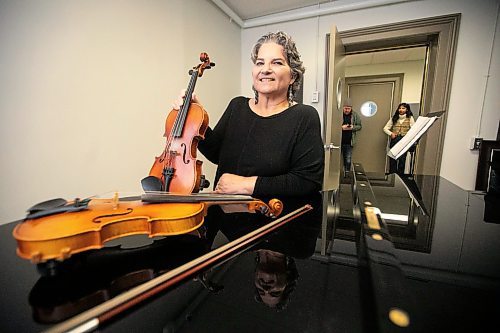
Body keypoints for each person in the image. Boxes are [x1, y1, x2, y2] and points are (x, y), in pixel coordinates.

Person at [174, 31, 324, 198]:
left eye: (276, 63)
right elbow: (216, 153)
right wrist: (195, 117)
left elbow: (308, 182)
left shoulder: (305, 116)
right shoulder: (237, 106)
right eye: (260, 63)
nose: (265, 70)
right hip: (221, 216)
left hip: (270, 219)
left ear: (293, 76)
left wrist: (246, 185)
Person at [383, 102, 415, 174]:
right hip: (395, 140)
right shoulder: (394, 118)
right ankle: (392, 175)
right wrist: (391, 133)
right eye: (400, 108)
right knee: (392, 159)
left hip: (404, 141)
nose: (401, 110)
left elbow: (414, 129)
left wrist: (408, 136)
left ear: (407, 109)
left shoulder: (410, 118)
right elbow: (385, 128)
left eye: (403, 108)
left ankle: (400, 177)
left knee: (402, 159)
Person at [340, 98, 362, 176]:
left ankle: (347, 175)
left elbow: (359, 126)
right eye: (345, 108)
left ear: (351, 108)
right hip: (338, 141)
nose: (347, 110)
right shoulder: (338, 114)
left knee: (348, 160)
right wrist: (341, 128)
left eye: (348, 108)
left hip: (349, 142)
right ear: (342, 107)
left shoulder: (355, 115)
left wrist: (352, 127)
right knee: (335, 160)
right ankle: (336, 175)